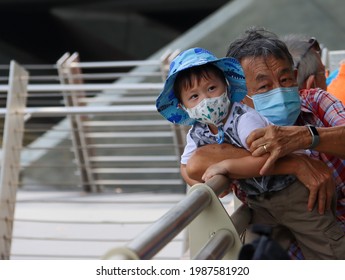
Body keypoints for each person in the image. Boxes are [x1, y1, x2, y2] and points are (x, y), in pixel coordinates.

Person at [155, 47, 345, 259]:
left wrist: (226, 167)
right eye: (194, 96)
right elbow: (187, 166)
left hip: (296, 194)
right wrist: (208, 183)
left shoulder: (243, 118)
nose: (206, 100)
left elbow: (266, 156)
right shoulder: (197, 132)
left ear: (226, 87)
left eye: (211, 88)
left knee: (324, 246)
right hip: (260, 203)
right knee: (259, 254)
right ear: (183, 107)